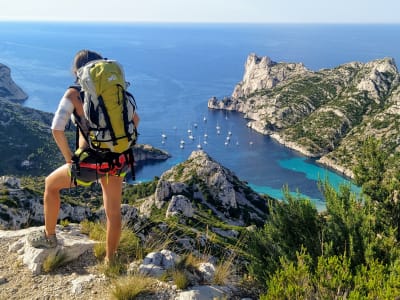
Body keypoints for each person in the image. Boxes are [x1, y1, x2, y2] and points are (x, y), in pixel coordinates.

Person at [28, 49, 140, 264]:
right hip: (117, 161)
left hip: (89, 164)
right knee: (113, 213)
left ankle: (50, 238)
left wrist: (70, 158)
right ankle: (110, 260)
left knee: (50, 184)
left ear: (77, 71)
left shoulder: (73, 93)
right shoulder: (115, 91)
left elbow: (56, 129)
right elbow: (135, 120)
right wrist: (115, 143)